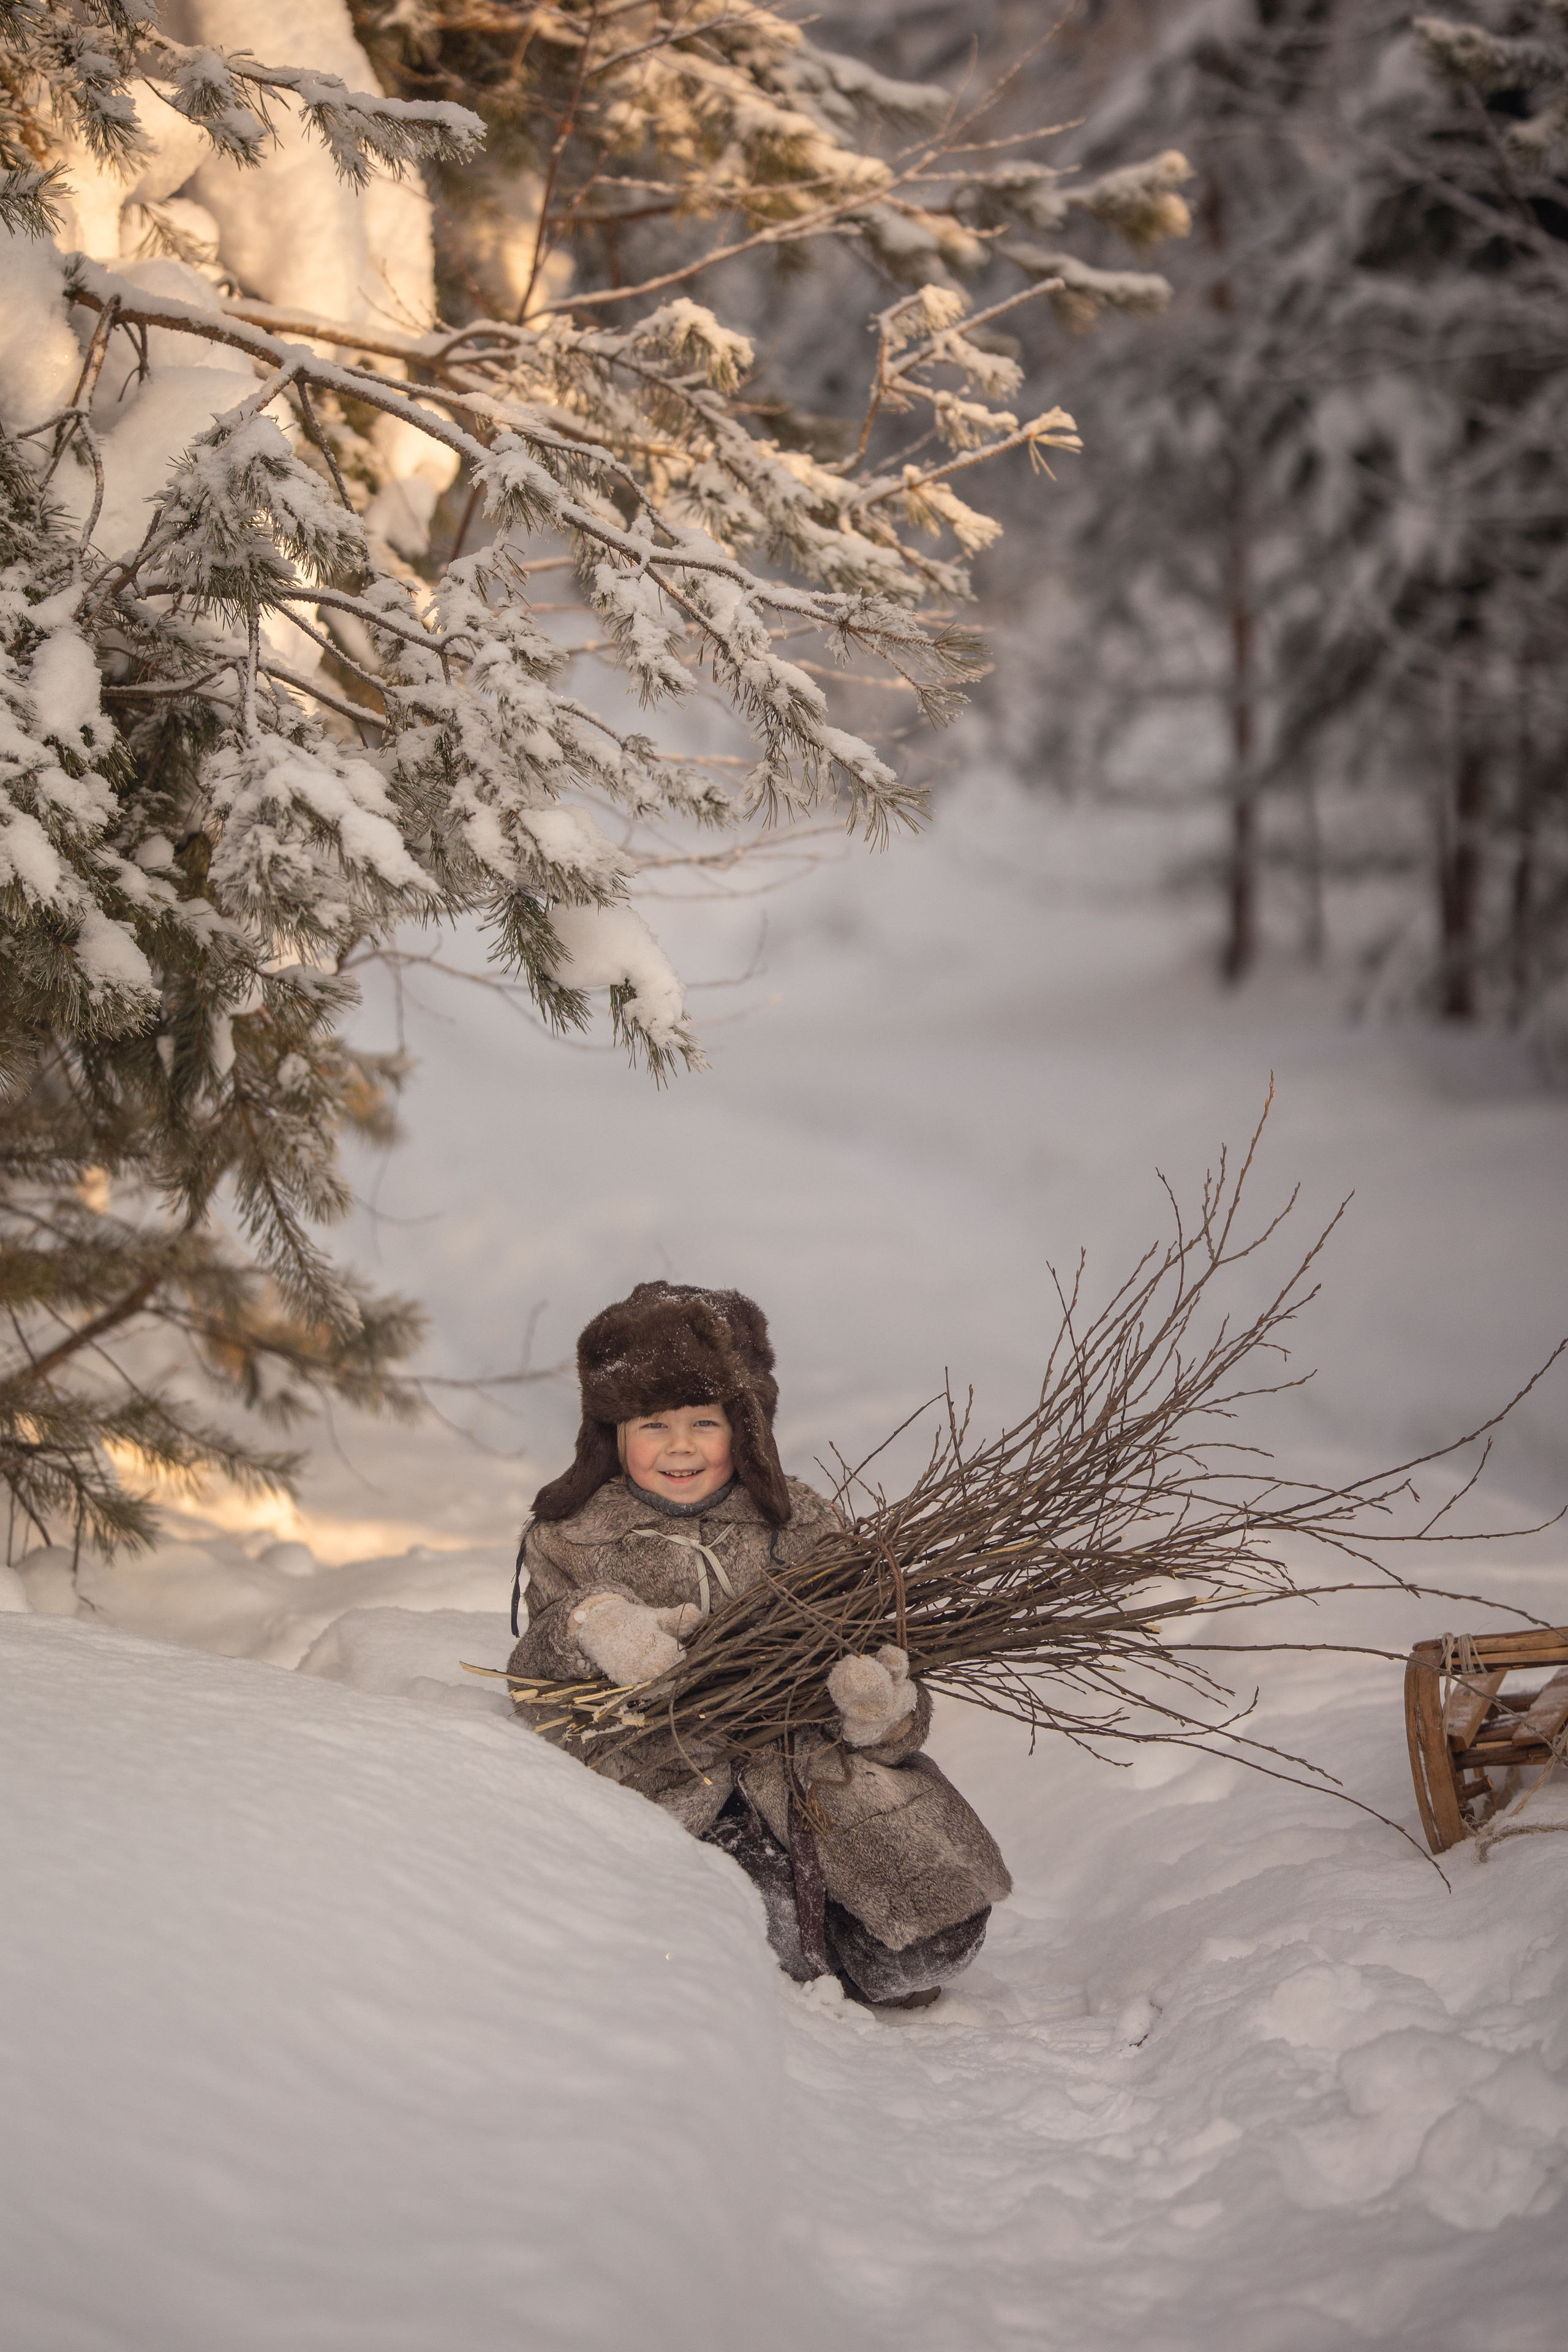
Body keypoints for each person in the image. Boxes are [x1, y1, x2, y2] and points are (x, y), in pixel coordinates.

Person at [506, 1281, 1011, 2010]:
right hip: (680, 1778)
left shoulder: (803, 1526)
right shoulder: (571, 1538)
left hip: (813, 1774)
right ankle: (759, 1953)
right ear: (611, 1435)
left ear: (743, 1428)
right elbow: (538, 1692)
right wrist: (587, 1625)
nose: (679, 1447)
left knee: (935, 1934)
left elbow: (884, 1675)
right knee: (741, 1912)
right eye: (653, 1424)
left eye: (704, 1423)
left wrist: (879, 1710)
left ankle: (839, 1946)